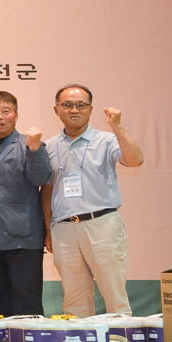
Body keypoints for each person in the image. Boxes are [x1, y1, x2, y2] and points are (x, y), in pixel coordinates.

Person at [46, 86, 146, 316]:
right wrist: (48, 228)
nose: (74, 110)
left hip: (102, 224)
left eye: (81, 105)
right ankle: (79, 340)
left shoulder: (107, 140)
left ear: (90, 109)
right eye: (67, 105)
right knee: (74, 300)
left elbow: (135, 160)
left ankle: (121, 339)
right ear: (56, 110)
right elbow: (47, 190)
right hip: (63, 228)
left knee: (114, 294)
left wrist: (117, 126)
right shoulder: (49, 146)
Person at [0, 90, 52, 318]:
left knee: (27, 299)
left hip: (23, 234)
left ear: (16, 115)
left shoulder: (30, 144)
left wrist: (34, 151)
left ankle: (30, 341)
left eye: (5, 111)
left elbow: (41, 179)